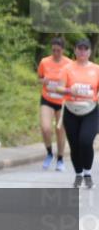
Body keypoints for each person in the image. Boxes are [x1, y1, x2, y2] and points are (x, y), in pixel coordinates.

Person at [54, 39, 99, 188]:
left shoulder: (96, 69)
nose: (82, 51)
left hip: (90, 110)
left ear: (90, 52)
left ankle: (88, 172)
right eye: (79, 48)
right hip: (71, 110)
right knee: (74, 145)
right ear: (75, 51)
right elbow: (58, 88)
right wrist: (69, 90)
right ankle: (79, 174)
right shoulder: (67, 68)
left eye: (85, 48)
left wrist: (95, 96)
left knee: (85, 141)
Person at [38, 37, 71, 171]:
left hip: (62, 101)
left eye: (58, 50)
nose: (55, 53)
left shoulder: (69, 64)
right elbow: (39, 78)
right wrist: (43, 81)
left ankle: (60, 159)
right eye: (53, 50)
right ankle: (49, 153)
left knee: (60, 130)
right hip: (47, 98)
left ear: (63, 50)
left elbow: (73, 81)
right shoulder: (44, 62)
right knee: (46, 128)